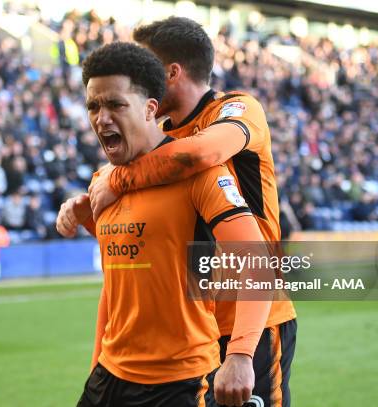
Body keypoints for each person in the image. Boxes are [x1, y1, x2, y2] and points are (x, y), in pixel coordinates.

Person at [58, 17, 296, 407]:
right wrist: (94, 211)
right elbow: (145, 245)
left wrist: (116, 181)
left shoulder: (235, 111)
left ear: (170, 73)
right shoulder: (154, 144)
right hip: (191, 323)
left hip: (250, 313)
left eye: (145, 63)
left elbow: (198, 155)